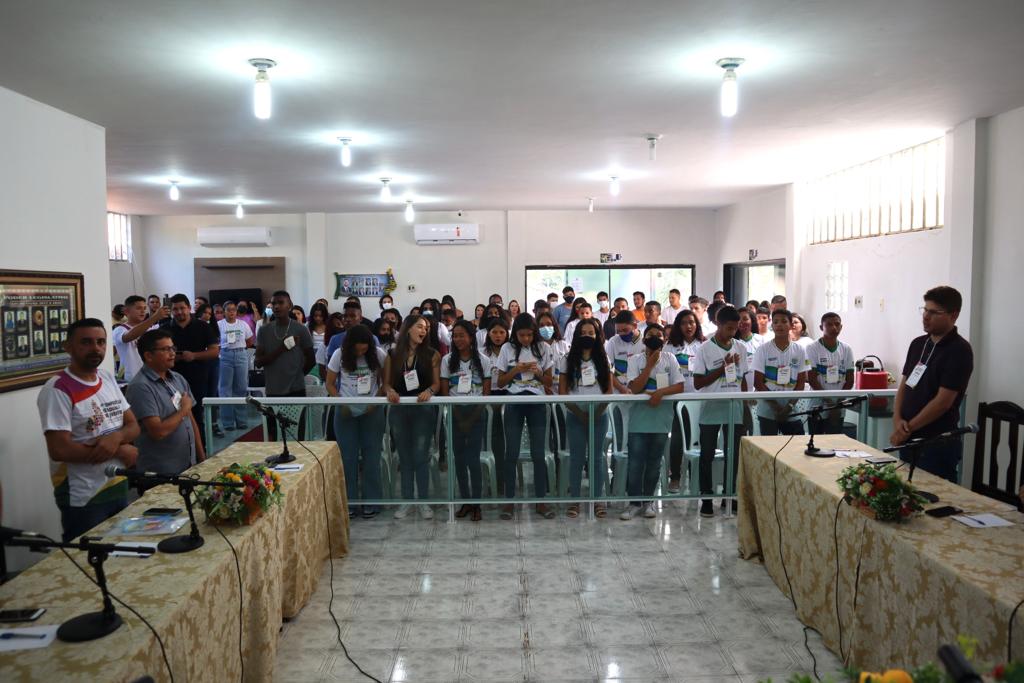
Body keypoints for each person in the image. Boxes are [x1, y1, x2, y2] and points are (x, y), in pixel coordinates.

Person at [36, 318, 140, 541]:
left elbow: (133, 426)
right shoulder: (57, 389)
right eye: (86, 342)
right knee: (88, 565)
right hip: (84, 496)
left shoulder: (107, 378)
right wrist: (120, 451)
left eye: (101, 342)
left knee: (122, 557)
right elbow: (60, 449)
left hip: (118, 485)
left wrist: (116, 437)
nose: (96, 348)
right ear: (68, 347)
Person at [890, 286, 973, 482]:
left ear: (954, 315)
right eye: (925, 310)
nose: (926, 316)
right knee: (907, 495)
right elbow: (905, 385)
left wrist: (907, 428)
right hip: (909, 438)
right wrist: (897, 418)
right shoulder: (918, 343)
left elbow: (943, 402)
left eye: (934, 312)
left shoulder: (959, 350)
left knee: (934, 502)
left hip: (936, 441)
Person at [620, 323, 685, 520]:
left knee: (654, 463)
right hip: (639, 420)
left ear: (664, 339)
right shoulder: (635, 359)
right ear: (644, 338)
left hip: (661, 419)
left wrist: (660, 393)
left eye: (659, 334)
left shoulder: (670, 359)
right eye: (650, 334)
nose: (655, 337)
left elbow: (679, 386)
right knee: (636, 463)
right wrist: (649, 365)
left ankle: (648, 502)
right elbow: (635, 387)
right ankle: (634, 503)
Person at [496, 313, 555, 520]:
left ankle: (541, 502)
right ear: (515, 334)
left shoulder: (544, 348)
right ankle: (510, 503)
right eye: (522, 335)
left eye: (530, 335)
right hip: (514, 403)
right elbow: (501, 382)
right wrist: (516, 370)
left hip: (537, 404)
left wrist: (537, 372)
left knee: (539, 454)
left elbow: (549, 382)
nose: (526, 339)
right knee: (510, 453)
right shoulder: (507, 348)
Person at [126, 330, 204, 484]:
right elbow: (158, 431)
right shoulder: (140, 387)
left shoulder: (177, 378)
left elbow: (190, 419)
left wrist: (201, 457)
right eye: (165, 349)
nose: (172, 353)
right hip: (160, 473)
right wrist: (183, 410)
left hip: (187, 466)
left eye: (173, 348)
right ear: (148, 355)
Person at [327, 324, 387, 519]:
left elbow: (387, 383)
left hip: (372, 411)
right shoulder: (339, 354)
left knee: (371, 457)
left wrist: (376, 400)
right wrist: (340, 402)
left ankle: (372, 502)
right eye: (357, 348)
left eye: (364, 348)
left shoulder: (378, 354)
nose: (361, 351)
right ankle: (350, 503)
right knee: (348, 458)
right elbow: (329, 383)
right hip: (345, 412)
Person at [692, 305, 748, 517]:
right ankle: (706, 498)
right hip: (711, 407)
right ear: (718, 324)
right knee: (707, 454)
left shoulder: (740, 348)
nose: (732, 332)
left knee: (733, 454)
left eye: (735, 329)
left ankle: (730, 495)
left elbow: (742, 380)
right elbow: (698, 383)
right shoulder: (704, 349)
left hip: (734, 407)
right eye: (729, 328)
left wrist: (743, 404)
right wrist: (722, 369)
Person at [383, 315, 440, 519]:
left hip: (422, 409)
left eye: (426, 328)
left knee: (421, 455)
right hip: (399, 409)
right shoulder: (392, 354)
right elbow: (386, 383)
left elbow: (436, 384)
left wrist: (430, 392)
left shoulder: (432, 354)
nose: (424, 331)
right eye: (420, 327)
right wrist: (389, 391)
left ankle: (423, 501)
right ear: (408, 329)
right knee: (404, 457)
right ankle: (406, 501)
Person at [558, 317, 612, 519]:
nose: (587, 336)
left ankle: (597, 499)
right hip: (575, 415)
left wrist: (596, 413)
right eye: (583, 333)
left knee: (597, 458)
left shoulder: (603, 359)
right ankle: (575, 501)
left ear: (597, 336)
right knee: (576, 458)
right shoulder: (566, 359)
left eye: (591, 333)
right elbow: (562, 393)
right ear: (577, 335)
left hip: (599, 414)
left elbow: (609, 391)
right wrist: (580, 414)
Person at [441, 320, 492, 521]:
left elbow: (486, 393)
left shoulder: (484, 360)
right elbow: (445, 392)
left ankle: (477, 503)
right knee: (460, 461)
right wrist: (459, 417)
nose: (458, 339)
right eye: (455, 336)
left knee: (473, 460)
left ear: (471, 337)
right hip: (454, 413)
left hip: (477, 414)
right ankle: (466, 501)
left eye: (462, 335)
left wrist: (470, 418)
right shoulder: (447, 361)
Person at [168, 294, 220, 444]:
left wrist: (194, 355)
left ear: (189, 308)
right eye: (175, 309)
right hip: (171, 379)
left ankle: (200, 452)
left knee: (197, 417)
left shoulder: (203, 326)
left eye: (182, 308)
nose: (179, 312)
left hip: (197, 378)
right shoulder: (166, 328)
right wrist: (173, 357)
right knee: (173, 415)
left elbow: (214, 351)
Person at [255, 290, 315, 412]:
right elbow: (258, 362)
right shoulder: (264, 330)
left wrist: (297, 375)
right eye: (273, 303)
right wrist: (282, 348)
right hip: (273, 390)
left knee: (297, 429)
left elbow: (311, 360)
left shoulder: (301, 329)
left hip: (296, 389)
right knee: (274, 429)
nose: (276, 306)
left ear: (289, 305)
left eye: (281, 303)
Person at [665, 309, 704, 493]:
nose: (688, 326)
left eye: (692, 322)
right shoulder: (670, 347)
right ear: (678, 326)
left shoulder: (704, 346)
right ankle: (675, 477)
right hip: (677, 400)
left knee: (696, 439)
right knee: (678, 439)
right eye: (684, 323)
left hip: (699, 400)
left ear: (697, 325)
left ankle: (694, 475)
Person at [753, 309, 807, 436]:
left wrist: (788, 407)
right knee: (769, 449)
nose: (779, 325)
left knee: (797, 446)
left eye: (784, 321)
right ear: (772, 326)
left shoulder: (799, 350)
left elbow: (800, 383)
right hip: (767, 409)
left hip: (791, 409)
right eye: (776, 322)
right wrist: (775, 406)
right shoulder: (763, 349)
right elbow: (758, 382)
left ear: (791, 325)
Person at [806, 312, 855, 435]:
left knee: (834, 444)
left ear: (841, 327)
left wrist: (837, 405)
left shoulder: (846, 349)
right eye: (829, 324)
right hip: (817, 405)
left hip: (838, 408)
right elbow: (812, 379)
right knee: (815, 444)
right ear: (821, 327)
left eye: (837, 324)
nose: (834, 327)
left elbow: (850, 380)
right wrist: (830, 403)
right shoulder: (812, 348)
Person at [114, 295, 170, 383]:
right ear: (126, 311)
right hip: (131, 378)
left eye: (144, 308)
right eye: (139, 308)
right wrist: (154, 317)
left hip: (150, 377)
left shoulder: (150, 329)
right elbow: (129, 336)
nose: (143, 311)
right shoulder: (119, 330)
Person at [483, 317, 510, 494]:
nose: (498, 336)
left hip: (507, 397)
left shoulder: (511, 351)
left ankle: (503, 480)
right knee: (490, 440)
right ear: (488, 334)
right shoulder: (481, 352)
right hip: (487, 398)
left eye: (502, 332)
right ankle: (490, 480)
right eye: (494, 332)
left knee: (504, 442)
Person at [217, 301, 254, 432]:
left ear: (236, 311)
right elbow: (214, 343)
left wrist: (240, 350)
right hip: (225, 356)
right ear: (224, 311)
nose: (231, 312)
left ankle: (242, 421)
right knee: (225, 389)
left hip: (241, 354)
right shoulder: (219, 325)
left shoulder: (243, 324)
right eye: (228, 310)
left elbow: (250, 341)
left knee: (241, 387)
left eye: (234, 310)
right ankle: (227, 422)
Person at [605, 309, 642, 395]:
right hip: (619, 392)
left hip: (640, 392)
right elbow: (608, 370)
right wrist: (622, 389)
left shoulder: (645, 342)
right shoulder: (613, 341)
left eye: (625, 330)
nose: (621, 333)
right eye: (618, 331)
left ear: (635, 325)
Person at [308, 303, 329, 374]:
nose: (318, 318)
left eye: (320, 316)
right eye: (315, 316)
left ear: (325, 316)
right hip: (311, 356)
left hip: (325, 356)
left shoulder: (329, 327)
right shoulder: (308, 326)